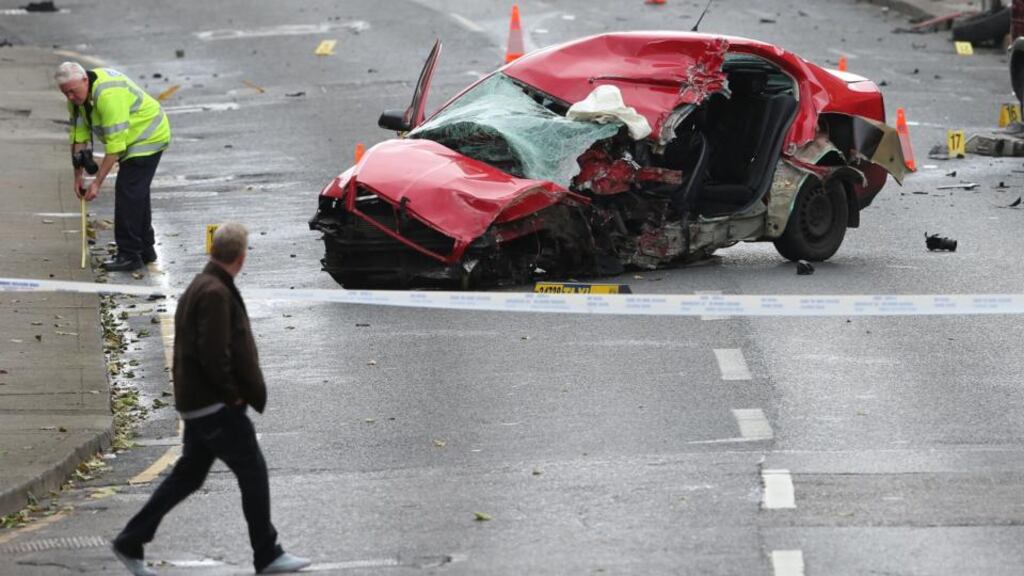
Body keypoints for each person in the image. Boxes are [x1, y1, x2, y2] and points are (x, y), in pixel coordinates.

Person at [111, 223, 310, 575]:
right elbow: (214, 353)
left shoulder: (203, 283)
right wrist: (233, 397)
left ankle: (131, 539)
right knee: (253, 472)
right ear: (242, 257)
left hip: (196, 402)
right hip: (214, 405)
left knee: (188, 476)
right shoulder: (215, 292)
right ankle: (267, 554)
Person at [55, 61, 170, 272]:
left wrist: (97, 183)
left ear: (84, 80)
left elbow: (115, 147)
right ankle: (145, 249)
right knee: (137, 193)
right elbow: (79, 137)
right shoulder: (76, 100)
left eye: (72, 91)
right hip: (132, 140)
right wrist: (77, 177)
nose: (70, 97)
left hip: (147, 136)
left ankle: (129, 255)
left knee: (127, 191)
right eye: (65, 93)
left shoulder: (108, 96)